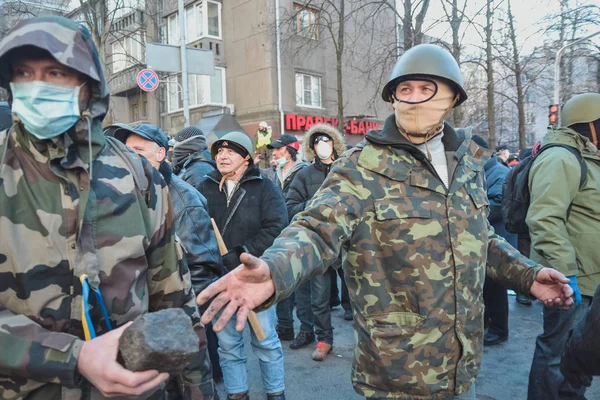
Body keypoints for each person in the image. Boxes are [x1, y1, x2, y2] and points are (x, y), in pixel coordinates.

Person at [196, 44, 574, 400]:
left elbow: (479, 238)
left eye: (426, 88)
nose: (413, 98)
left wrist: (527, 275)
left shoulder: (466, 163)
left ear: (452, 97)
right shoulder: (362, 166)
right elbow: (315, 230)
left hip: (463, 366)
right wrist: (275, 270)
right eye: (404, 90)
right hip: (397, 371)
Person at [0, 16, 214, 399]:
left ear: (87, 85)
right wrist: (73, 356)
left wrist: (198, 392)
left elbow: (175, 302)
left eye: (55, 73)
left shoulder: (138, 174)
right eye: (23, 73)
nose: (38, 87)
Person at [108, 122, 226, 387]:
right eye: (127, 150)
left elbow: (203, 269)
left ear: (161, 154)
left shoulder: (184, 199)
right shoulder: (126, 193)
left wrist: (177, 320)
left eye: (139, 149)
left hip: (172, 325)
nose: (131, 156)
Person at [196, 132, 288, 400]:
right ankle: (237, 394)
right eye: (219, 152)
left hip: (255, 277)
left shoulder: (265, 187)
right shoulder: (206, 187)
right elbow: (196, 227)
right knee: (227, 345)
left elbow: (277, 226)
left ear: (246, 157)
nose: (222, 156)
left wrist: (242, 254)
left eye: (231, 152)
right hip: (221, 280)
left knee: (266, 341)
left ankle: (275, 393)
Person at [526, 92, 600, 400]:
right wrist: (566, 274)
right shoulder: (561, 157)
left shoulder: (586, 157)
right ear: (589, 124)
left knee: (579, 355)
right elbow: (545, 218)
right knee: (557, 352)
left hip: (591, 277)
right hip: (571, 279)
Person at [285, 123, 348, 361]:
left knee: (360, 295)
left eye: (327, 141)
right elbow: (291, 207)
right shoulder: (304, 175)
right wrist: (315, 204)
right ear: (312, 148)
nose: (322, 146)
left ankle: (370, 341)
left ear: (334, 143)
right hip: (320, 245)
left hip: (348, 244)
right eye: (317, 142)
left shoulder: (347, 169)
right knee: (319, 298)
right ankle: (324, 340)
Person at [472, 135, 517, 346]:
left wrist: (470, 214)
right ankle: (488, 325)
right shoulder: (485, 171)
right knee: (486, 287)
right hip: (487, 239)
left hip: (497, 239)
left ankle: (499, 330)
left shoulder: (498, 173)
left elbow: (497, 206)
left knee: (496, 288)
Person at [266, 133, 308, 341]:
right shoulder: (274, 173)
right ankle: (285, 327)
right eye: (274, 149)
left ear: (291, 150)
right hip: (279, 234)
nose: (275, 153)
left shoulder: (304, 172)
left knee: (301, 287)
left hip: (300, 234)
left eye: (279, 149)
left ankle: (306, 329)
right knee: (280, 281)